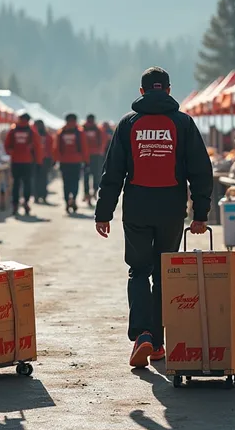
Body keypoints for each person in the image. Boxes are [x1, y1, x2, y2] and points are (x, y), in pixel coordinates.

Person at [94, 67, 213, 368]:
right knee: (164, 274)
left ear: (142, 91)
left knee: (138, 271)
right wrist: (200, 213)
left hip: (136, 208)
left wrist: (103, 212)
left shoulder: (128, 124)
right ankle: (158, 343)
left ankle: (142, 334)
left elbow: (112, 173)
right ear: (169, 91)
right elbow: (201, 171)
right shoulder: (183, 123)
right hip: (171, 209)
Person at [4, 111, 43, 215]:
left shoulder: (13, 130)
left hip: (15, 161)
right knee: (27, 183)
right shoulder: (31, 131)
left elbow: (7, 145)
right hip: (27, 161)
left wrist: (12, 152)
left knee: (16, 184)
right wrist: (38, 161)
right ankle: (26, 202)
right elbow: (37, 147)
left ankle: (15, 204)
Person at [54, 114, 88, 213]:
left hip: (64, 162)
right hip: (76, 161)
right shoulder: (80, 132)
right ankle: (73, 197)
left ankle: (66, 201)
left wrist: (56, 160)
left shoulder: (61, 132)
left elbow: (56, 148)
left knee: (66, 183)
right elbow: (84, 148)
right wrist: (86, 161)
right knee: (75, 182)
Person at [82, 114, 105, 206]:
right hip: (96, 156)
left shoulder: (82, 129)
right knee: (96, 176)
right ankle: (94, 192)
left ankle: (87, 194)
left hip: (86, 157)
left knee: (86, 177)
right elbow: (103, 141)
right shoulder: (98, 129)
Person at [34, 120, 54, 203]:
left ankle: (40, 195)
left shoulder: (35, 135)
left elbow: (51, 148)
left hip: (42, 159)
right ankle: (39, 195)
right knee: (40, 178)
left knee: (40, 178)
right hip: (40, 159)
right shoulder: (35, 135)